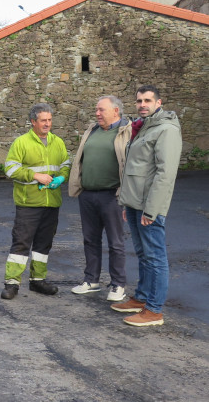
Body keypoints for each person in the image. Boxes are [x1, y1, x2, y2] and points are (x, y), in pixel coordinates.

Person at [112, 85, 181, 326]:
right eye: (139, 100)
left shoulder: (165, 130)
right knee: (143, 254)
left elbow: (165, 173)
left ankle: (154, 310)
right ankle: (141, 297)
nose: (142, 104)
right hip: (134, 203)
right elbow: (135, 170)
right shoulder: (142, 127)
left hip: (149, 206)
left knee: (155, 257)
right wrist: (126, 202)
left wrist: (152, 210)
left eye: (148, 100)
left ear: (159, 103)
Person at [1, 103, 71, 300]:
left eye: (49, 120)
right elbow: (11, 170)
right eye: (43, 120)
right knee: (21, 243)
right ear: (33, 122)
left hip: (51, 203)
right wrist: (36, 176)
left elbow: (65, 165)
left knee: (43, 244)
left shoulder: (58, 142)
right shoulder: (21, 143)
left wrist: (61, 178)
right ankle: (12, 284)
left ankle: (38, 281)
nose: (47, 124)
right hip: (29, 203)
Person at [68, 96, 131, 302]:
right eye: (96, 110)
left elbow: (129, 165)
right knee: (90, 239)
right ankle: (91, 280)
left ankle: (118, 284)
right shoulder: (92, 130)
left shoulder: (126, 132)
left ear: (115, 111)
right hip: (88, 194)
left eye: (101, 110)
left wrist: (125, 195)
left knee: (115, 242)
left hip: (111, 195)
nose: (97, 113)